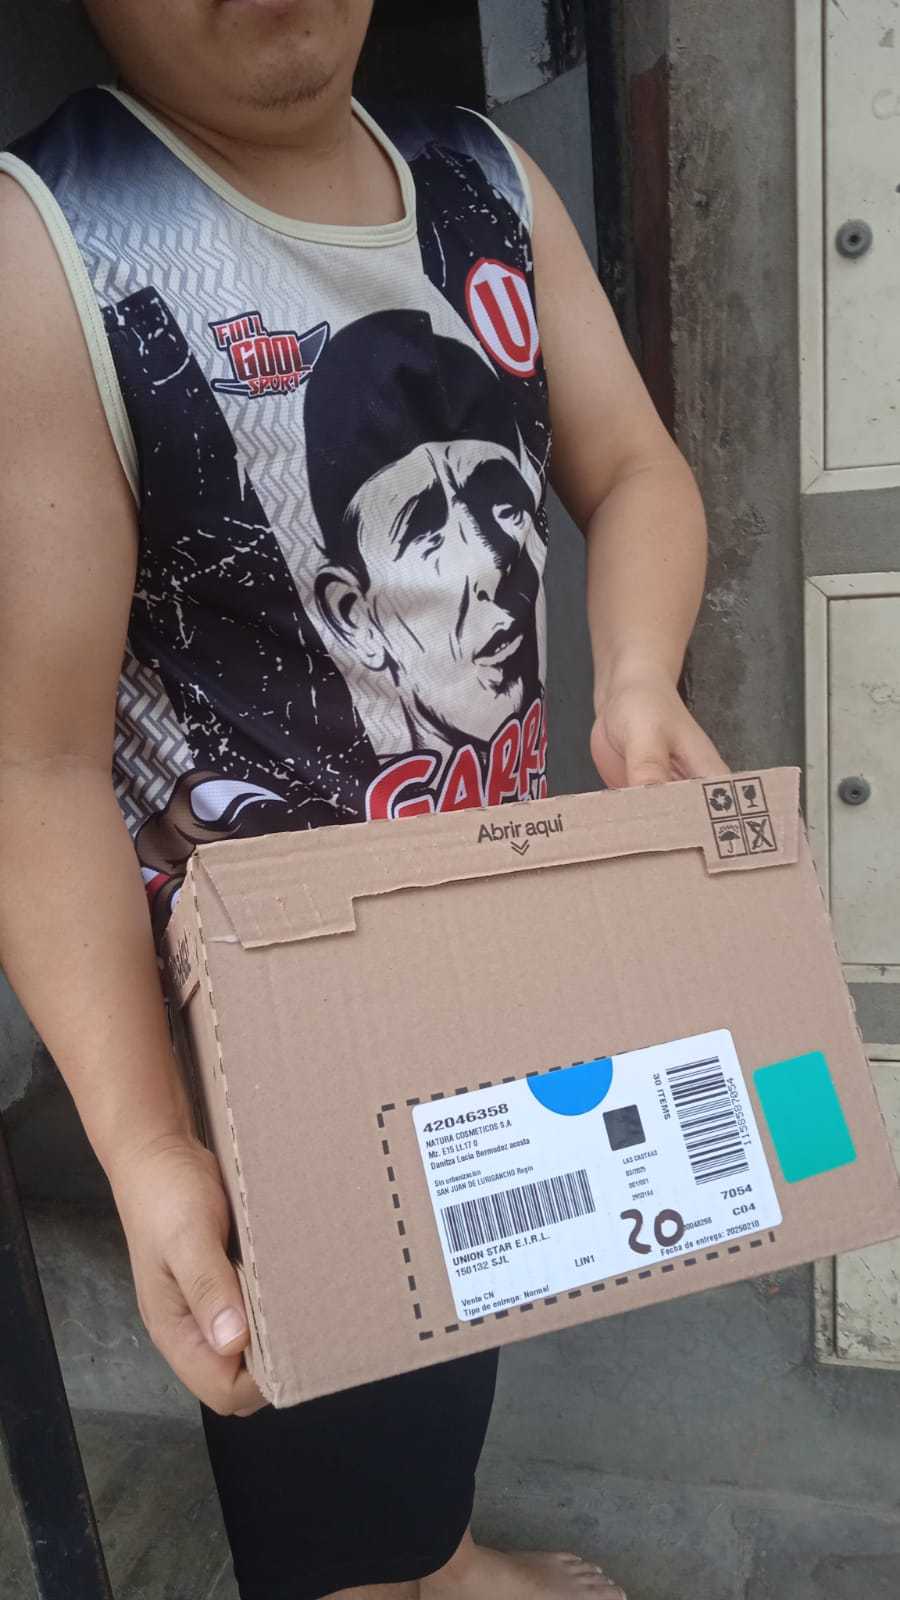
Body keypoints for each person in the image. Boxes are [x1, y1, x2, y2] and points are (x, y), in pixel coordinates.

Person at [0, 3, 728, 1598]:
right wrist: (145, 1140)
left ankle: (437, 1558)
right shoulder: (50, 248)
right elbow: (32, 762)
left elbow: (633, 467)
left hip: (492, 916)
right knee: (318, 1403)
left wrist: (635, 677)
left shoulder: (487, 186)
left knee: (474, 1296)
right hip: (269, 1031)